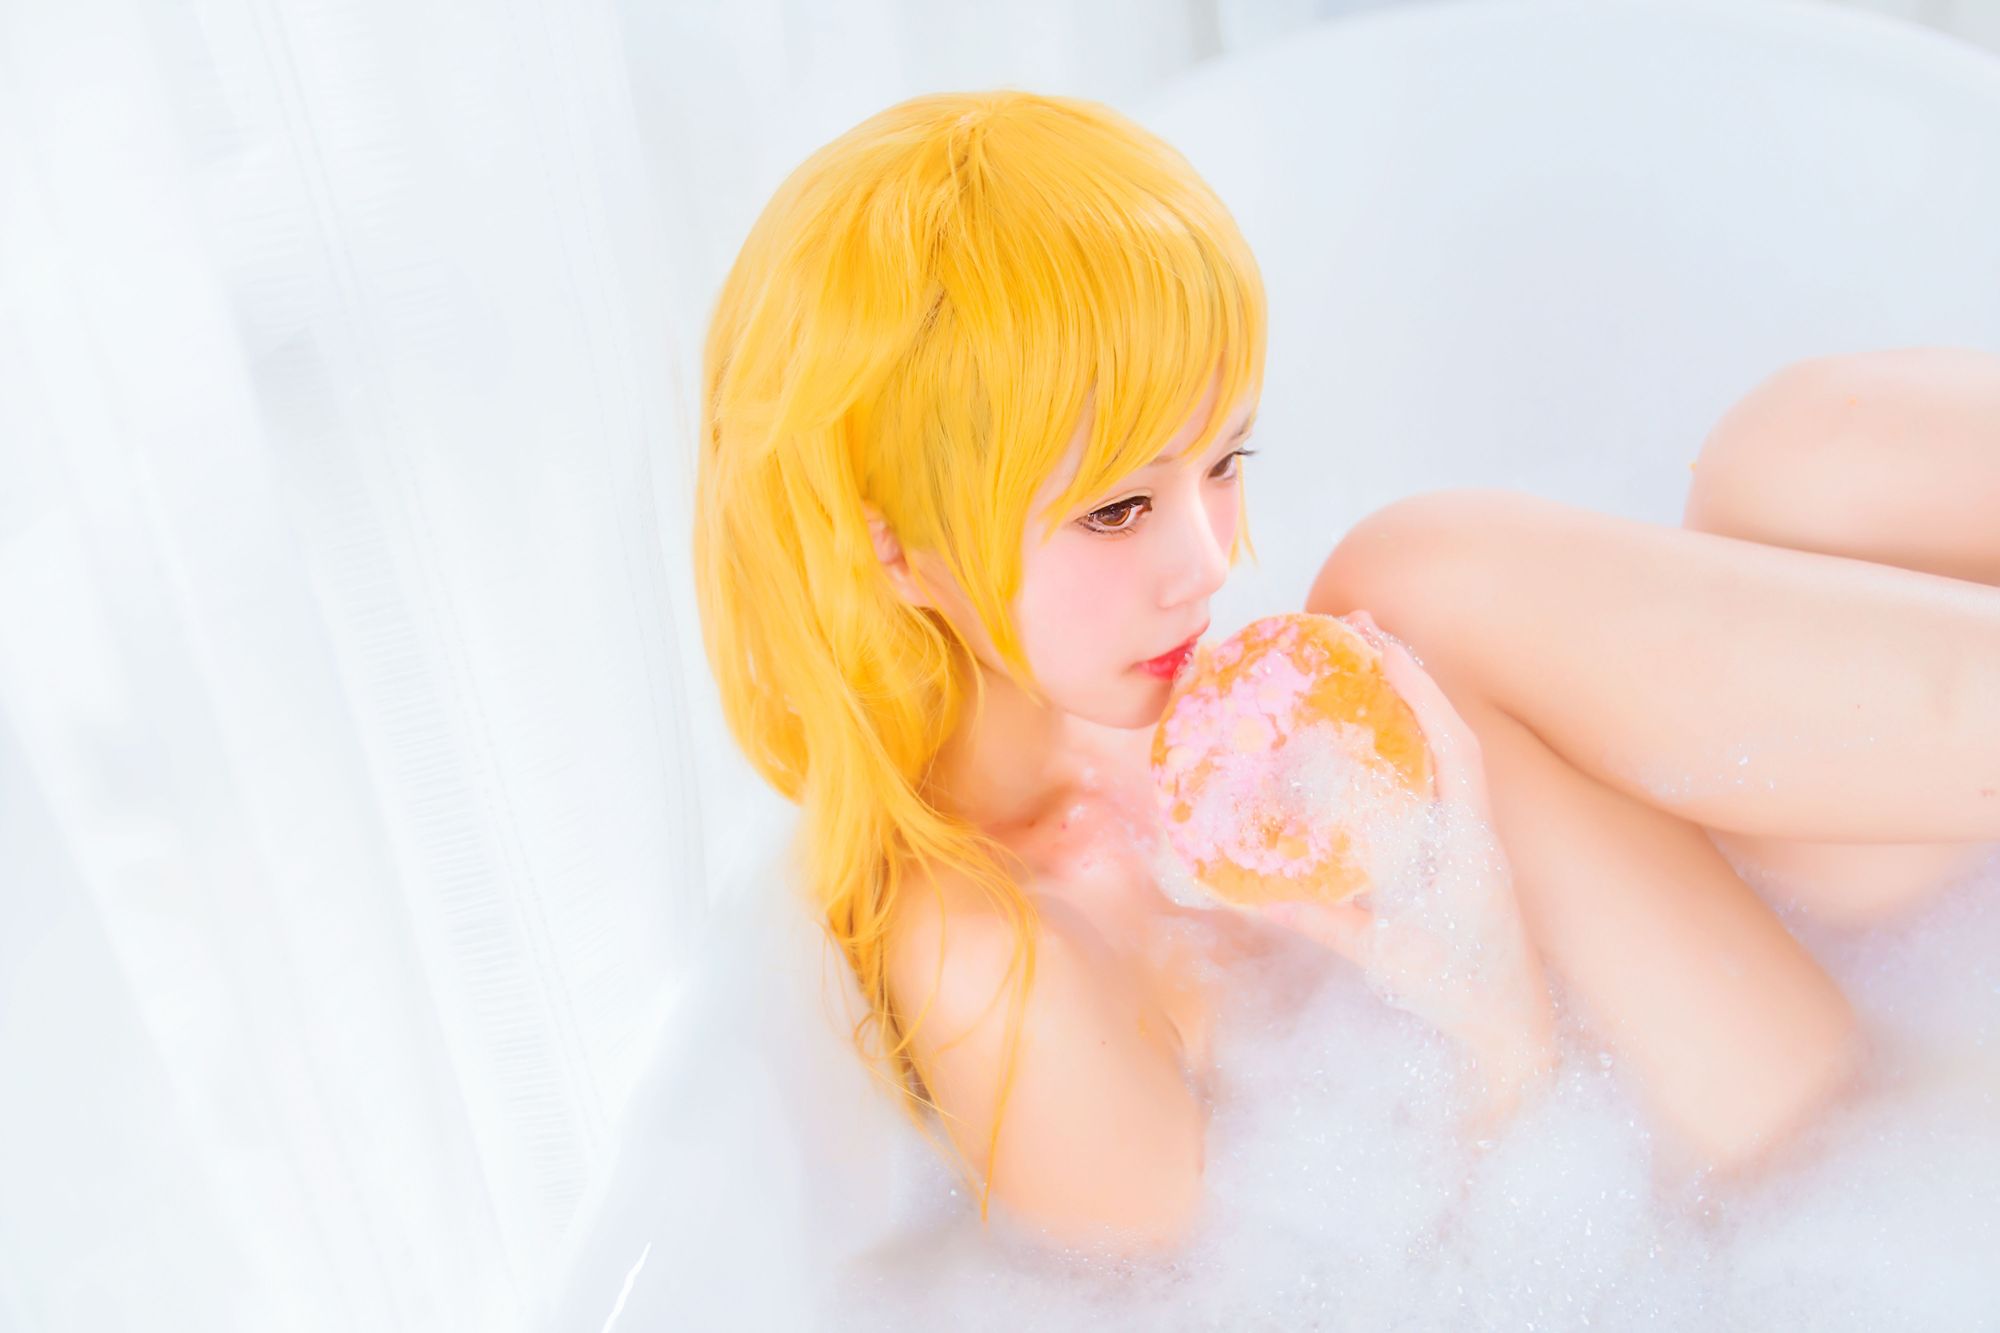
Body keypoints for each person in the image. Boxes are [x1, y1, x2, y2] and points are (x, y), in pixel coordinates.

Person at [690, 89, 2000, 1258]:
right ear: (894, 552)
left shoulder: (1136, 700)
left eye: (1224, 464)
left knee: (1802, 462)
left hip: (1827, 930)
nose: (1208, 562)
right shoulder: (988, 966)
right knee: (1408, 578)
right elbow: (1323, 1296)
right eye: (1117, 511)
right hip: (1766, 1157)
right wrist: (1488, 998)